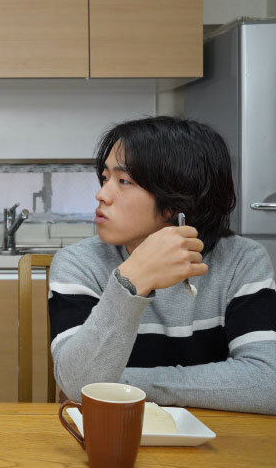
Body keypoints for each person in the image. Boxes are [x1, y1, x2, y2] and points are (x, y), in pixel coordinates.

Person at [49, 116, 276, 414]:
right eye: (105, 178)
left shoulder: (242, 260)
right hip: (116, 430)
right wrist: (131, 281)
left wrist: (121, 387)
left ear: (177, 202)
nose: (101, 194)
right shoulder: (79, 262)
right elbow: (79, 384)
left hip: (216, 435)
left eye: (124, 181)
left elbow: (267, 382)